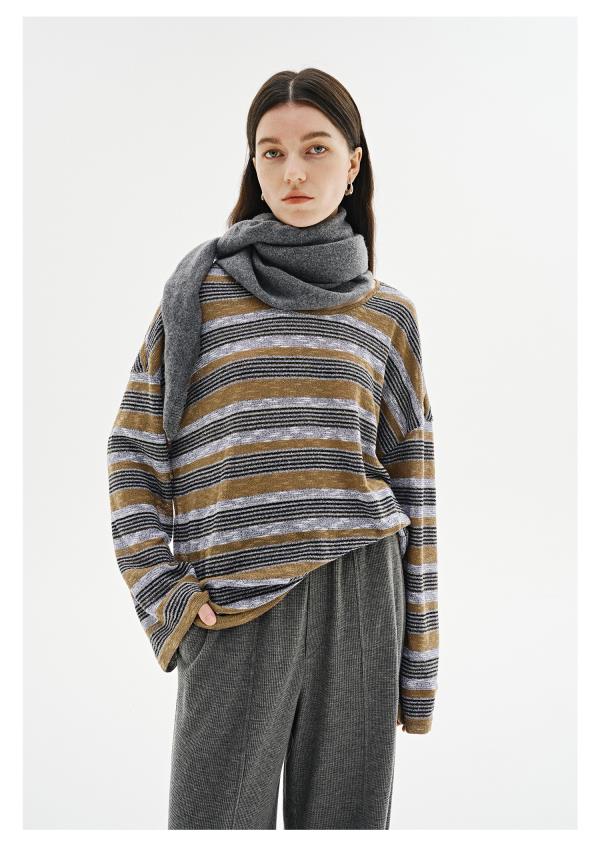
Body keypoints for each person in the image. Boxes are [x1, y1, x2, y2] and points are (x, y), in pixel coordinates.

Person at [106, 67, 438, 830]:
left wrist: (417, 664)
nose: (293, 172)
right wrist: (165, 593)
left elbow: (415, 485)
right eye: (272, 151)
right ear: (252, 164)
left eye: (316, 149)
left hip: (363, 596)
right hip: (232, 603)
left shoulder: (388, 316)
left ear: (353, 164)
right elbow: (133, 450)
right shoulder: (200, 295)